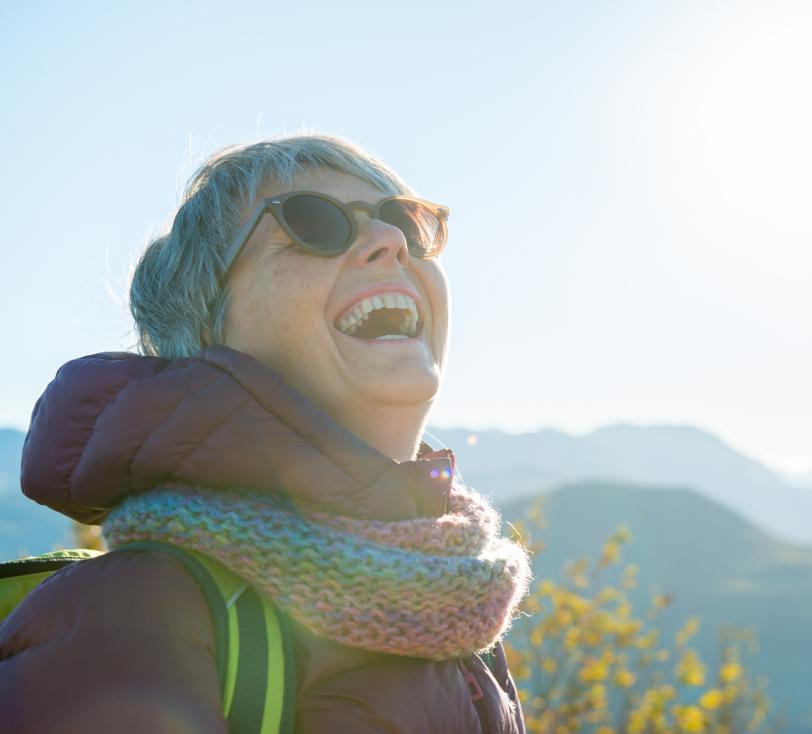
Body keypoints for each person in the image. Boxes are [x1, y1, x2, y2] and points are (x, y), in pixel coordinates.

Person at [0, 134, 532, 733]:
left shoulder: (455, 597)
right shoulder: (125, 615)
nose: (389, 242)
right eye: (314, 224)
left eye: (405, 224)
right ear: (210, 326)